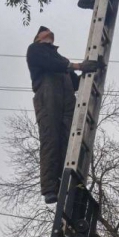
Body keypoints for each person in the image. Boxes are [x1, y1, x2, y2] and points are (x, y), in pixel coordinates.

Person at [26, 26, 97, 204]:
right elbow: (52, 64)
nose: (49, 32)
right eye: (44, 31)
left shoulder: (61, 60)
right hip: (47, 97)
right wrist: (79, 66)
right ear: (38, 38)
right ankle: (50, 188)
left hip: (67, 101)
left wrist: (92, 72)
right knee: (51, 139)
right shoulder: (35, 50)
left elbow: (75, 83)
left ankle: (66, 183)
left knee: (69, 140)